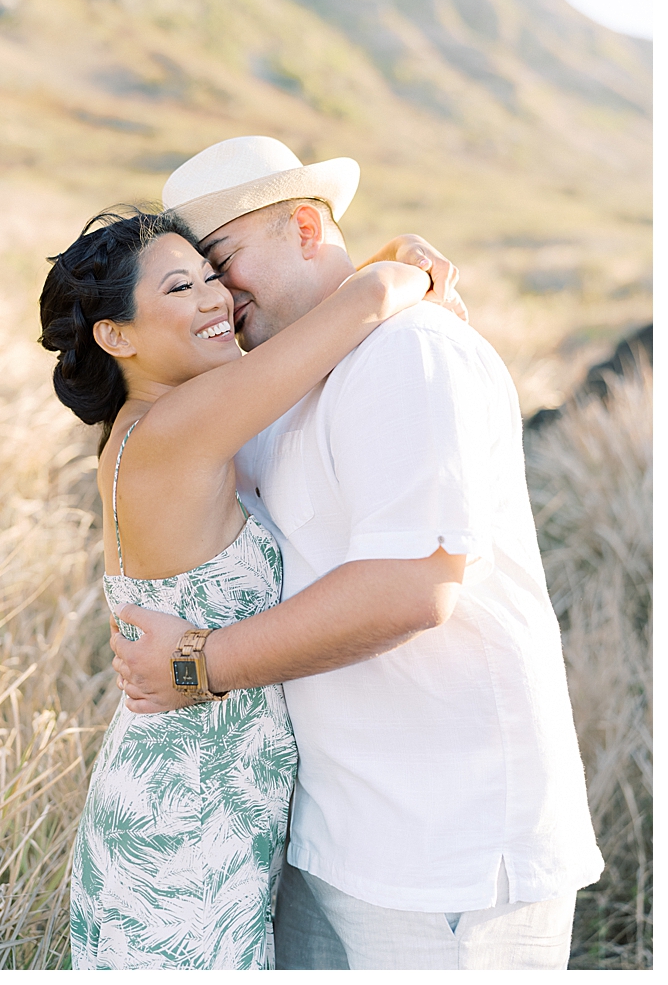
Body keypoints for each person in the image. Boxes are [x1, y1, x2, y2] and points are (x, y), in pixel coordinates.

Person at [110, 136, 604, 970]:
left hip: (447, 854)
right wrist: (383, 268)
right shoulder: (286, 374)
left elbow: (412, 588)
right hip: (332, 837)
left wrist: (198, 663)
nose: (217, 299)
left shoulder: (408, 354)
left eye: (222, 262)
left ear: (306, 226)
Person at [39, 197, 460, 968]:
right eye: (178, 289)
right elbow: (360, 307)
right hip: (181, 828)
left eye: (210, 275)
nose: (215, 300)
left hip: (200, 807)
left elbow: (310, 336)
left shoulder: (160, 426)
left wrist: (390, 253)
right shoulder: (176, 428)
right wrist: (401, 262)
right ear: (116, 335)